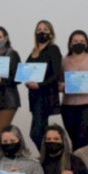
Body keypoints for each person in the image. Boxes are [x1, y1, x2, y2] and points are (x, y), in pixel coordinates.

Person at [24, 20, 64, 150]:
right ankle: (48, 158)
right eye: (39, 29)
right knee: (41, 132)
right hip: (34, 97)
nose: (41, 32)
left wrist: (40, 85)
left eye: (45, 29)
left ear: (51, 34)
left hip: (46, 95)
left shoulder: (53, 49)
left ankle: (46, 156)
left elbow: (56, 74)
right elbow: (25, 72)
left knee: (35, 133)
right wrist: (26, 80)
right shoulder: (33, 52)